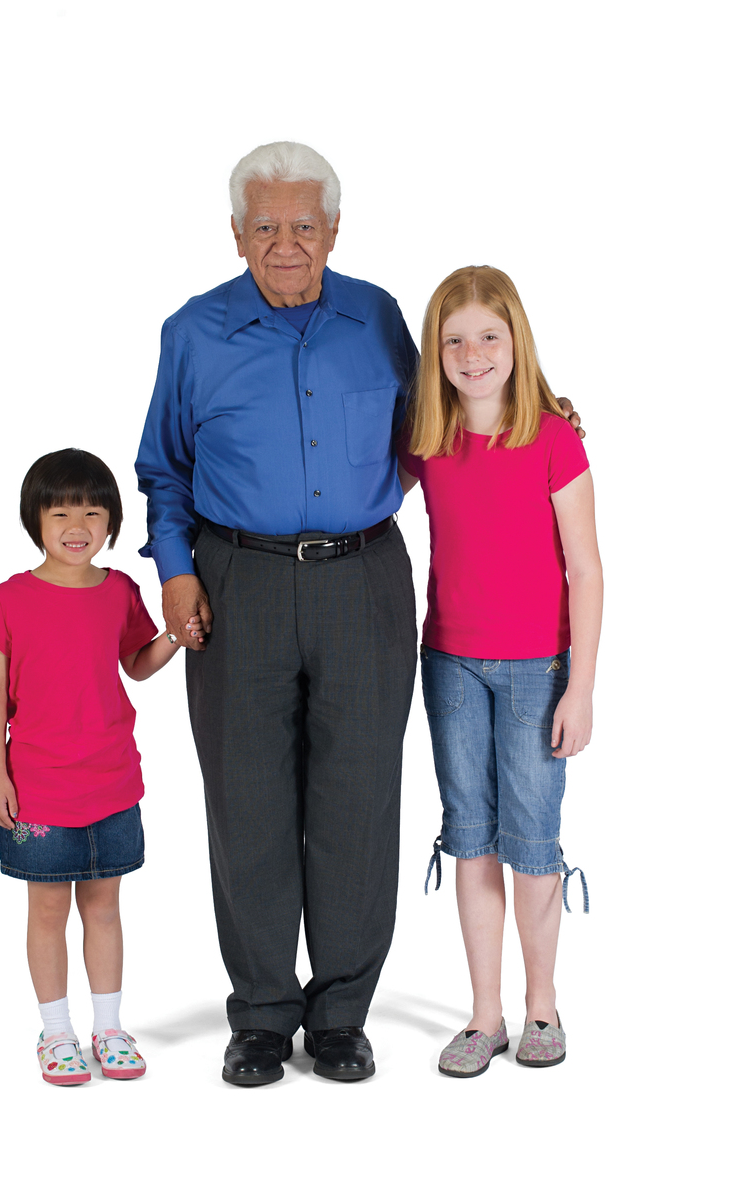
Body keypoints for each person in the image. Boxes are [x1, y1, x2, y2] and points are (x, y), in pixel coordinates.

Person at [136, 142, 420, 1085]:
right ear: (236, 233)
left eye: (304, 226)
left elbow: (443, 430)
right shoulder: (194, 333)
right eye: (266, 227)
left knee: (359, 799)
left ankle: (340, 1013)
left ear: (334, 230)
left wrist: (543, 419)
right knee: (247, 800)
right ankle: (261, 1012)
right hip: (233, 583)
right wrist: (175, 573)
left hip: (364, 578)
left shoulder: (379, 319)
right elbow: (163, 468)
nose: (286, 244)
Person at [398, 266, 602, 1078]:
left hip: (535, 671)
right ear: (434, 353)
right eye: (454, 341)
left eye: (489, 336)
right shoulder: (427, 439)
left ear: (516, 341)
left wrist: (580, 687)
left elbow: (585, 569)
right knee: (471, 838)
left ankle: (541, 1008)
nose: (473, 354)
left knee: (532, 842)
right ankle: (485, 1016)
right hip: (448, 663)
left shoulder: (554, 438)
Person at [0, 448, 196, 1085]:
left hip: (112, 781)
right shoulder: (10, 599)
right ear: (36, 520)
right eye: (62, 510)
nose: (79, 523)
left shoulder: (121, 590)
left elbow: (138, 663)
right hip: (38, 790)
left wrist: (177, 636)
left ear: (111, 523)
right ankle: (56, 1034)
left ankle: (108, 1028)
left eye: (94, 511)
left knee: (104, 907)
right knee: (46, 910)